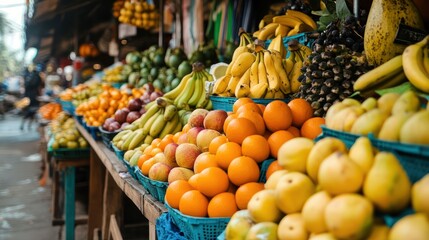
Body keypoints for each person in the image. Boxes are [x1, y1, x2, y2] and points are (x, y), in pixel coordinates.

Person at [20, 63, 43, 130]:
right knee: (32, 111)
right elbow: (39, 86)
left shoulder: (28, 76)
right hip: (33, 97)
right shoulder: (37, 76)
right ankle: (28, 126)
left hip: (27, 97)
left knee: (28, 112)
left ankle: (24, 125)